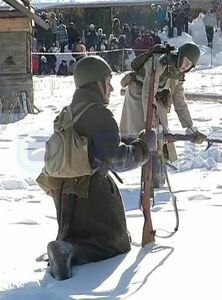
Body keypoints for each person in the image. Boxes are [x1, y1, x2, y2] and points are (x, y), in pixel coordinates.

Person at [45, 55, 149, 281]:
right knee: (114, 244)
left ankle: (66, 248)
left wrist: (132, 140)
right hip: (90, 192)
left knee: (82, 236)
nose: (111, 87)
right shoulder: (99, 114)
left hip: (65, 192)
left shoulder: (71, 110)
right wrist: (144, 148)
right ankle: (67, 251)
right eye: (107, 81)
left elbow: (98, 143)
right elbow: (117, 160)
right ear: (97, 83)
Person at [119, 43, 206, 186]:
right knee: (146, 137)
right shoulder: (159, 63)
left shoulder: (178, 75)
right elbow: (147, 93)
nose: (186, 66)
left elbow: (180, 103)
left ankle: (157, 179)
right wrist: (152, 123)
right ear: (180, 55)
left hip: (154, 99)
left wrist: (191, 129)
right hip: (138, 94)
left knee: (160, 138)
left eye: (190, 64)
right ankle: (148, 181)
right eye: (186, 61)